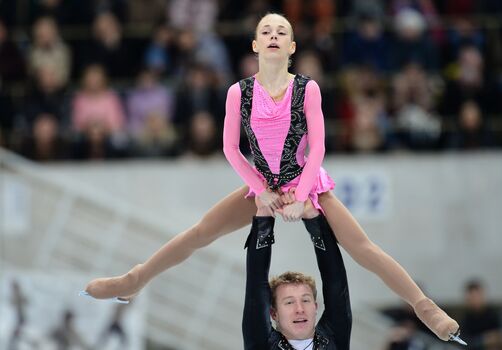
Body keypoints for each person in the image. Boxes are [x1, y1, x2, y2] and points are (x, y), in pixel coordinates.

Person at [84, 13, 460, 342]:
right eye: (266, 31)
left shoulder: (307, 88)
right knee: (200, 232)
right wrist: (261, 191)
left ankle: (425, 309)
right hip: (261, 184)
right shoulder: (239, 92)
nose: (274, 35)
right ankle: (134, 280)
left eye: (282, 31)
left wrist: (301, 196)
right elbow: (231, 149)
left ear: (292, 45)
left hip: (306, 183)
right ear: (255, 44)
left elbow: (318, 147)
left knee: (362, 248)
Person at [243, 197, 351, 349]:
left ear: (315, 307)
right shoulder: (263, 344)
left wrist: (311, 215)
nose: (299, 309)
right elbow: (256, 282)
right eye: (289, 302)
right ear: (274, 314)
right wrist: (264, 216)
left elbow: (335, 281)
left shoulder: (333, 337)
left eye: (305, 300)